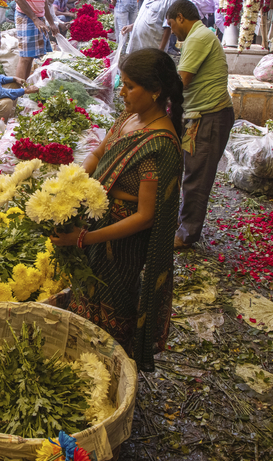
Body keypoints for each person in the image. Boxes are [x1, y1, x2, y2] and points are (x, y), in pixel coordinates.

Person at [51, 48, 184, 372]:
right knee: (85, 302)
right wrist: (75, 181)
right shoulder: (130, 118)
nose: (121, 92)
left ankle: (111, 374)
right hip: (96, 228)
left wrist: (85, 238)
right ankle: (83, 366)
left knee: (113, 311)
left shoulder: (160, 144)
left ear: (155, 91)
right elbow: (98, 153)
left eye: (129, 86)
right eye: (121, 84)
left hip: (120, 249)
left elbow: (145, 216)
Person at [166, 0, 233, 248]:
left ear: (181, 17)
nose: (171, 30)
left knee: (196, 177)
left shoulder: (197, 37)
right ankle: (181, 224)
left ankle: (187, 234)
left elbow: (181, 81)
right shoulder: (198, 35)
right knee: (190, 172)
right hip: (200, 115)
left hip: (210, 118)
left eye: (172, 24)